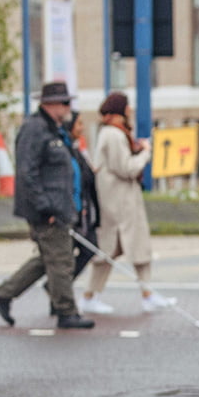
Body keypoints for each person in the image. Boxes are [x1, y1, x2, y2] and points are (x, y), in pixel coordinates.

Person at [0, 81, 95, 330]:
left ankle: (3, 293)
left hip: (61, 206)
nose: (69, 107)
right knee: (60, 260)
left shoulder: (54, 129)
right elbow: (27, 173)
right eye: (65, 102)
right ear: (50, 104)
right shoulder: (35, 130)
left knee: (49, 259)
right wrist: (44, 207)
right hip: (48, 210)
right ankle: (66, 312)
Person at [77, 92, 176, 315]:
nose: (129, 110)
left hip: (116, 201)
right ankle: (141, 295)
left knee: (112, 251)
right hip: (120, 203)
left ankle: (99, 295)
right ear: (118, 111)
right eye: (126, 107)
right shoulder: (113, 135)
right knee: (124, 249)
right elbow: (127, 168)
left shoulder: (112, 134)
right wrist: (146, 154)